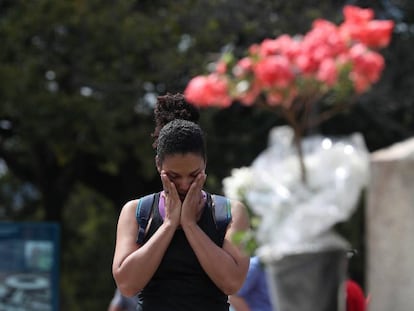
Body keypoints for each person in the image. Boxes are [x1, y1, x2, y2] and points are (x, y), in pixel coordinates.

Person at [112, 93, 250, 311]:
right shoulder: (137, 212)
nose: (185, 185)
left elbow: (232, 283)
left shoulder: (230, 212)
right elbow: (127, 285)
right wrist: (168, 225)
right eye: (174, 177)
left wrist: (190, 225)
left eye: (194, 175)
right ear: (158, 165)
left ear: (205, 163)